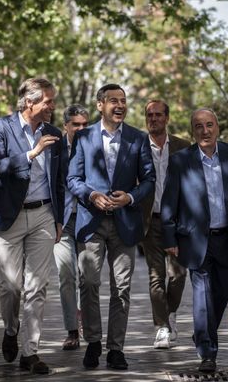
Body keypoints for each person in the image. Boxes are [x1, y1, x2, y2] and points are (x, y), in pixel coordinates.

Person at [0, 78, 65, 375]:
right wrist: (31, 153)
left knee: (37, 287)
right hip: (8, 216)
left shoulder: (54, 134)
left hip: (43, 214)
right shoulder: (1, 128)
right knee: (11, 286)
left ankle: (30, 352)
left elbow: (60, 180)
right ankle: (11, 330)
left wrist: (59, 218)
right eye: (48, 101)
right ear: (30, 103)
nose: (52, 106)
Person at [66, 83, 155, 370]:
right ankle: (93, 342)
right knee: (89, 282)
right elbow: (73, 179)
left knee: (123, 288)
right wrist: (92, 194)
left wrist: (130, 197)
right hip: (91, 221)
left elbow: (149, 180)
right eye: (113, 100)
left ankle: (116, 348)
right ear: (99, 105)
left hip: (125, 222)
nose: (120, 105)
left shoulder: (137, 139)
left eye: (123, 101)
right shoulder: (84, 138)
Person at [161, 108, 228, 374]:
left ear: (217, 128)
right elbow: (169, 202)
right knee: (202, 296)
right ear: (193, 131)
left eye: (209, 125)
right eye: (199, 126)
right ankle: (207, 351)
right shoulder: (180, 160)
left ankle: (205, 332)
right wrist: (170, 237)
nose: (205, 131)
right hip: (196, 240)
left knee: (220, 295)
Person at [140, 99, 190, 349]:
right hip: (150, 221)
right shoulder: (137, 146)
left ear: (167, 118)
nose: (154, 119)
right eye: (150, 115)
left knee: (179, 274)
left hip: (178, 222)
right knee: (156, 276)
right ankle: (161, 326)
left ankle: (169, 313)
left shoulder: (183, 147)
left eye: (159, 115)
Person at [55, 104, 89, 350]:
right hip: (63, 222)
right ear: (65, 126)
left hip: (89, 221)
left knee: (88, 278)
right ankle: (71, 330)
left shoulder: (95, 147)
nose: (80, 129)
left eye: (84, 124)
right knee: (66, 274)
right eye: (75, 124)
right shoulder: (55, 150)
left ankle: (88, 321)